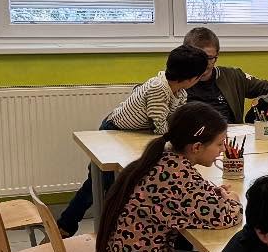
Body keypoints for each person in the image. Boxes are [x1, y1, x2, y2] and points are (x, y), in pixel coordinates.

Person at [96, 102, 243, 252]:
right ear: (196, 147)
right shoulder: (177, 174)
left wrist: (215, 195)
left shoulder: (166, 159)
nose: (222, 150)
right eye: (219, 144)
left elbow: (194, 195)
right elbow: (225, 216)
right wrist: (233, 199)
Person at [58, 44, 210, 235]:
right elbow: (161, 127)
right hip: (113, 133)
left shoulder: (179, 92)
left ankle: (94, 229)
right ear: (191, 78)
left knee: (112, 187)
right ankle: (65, 226)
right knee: (98, 186)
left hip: (130, 134)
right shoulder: (159, 89)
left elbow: (174, 122)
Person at [182, 27, 268, 123]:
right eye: (197, 57)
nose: (203, 63)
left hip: (230, 131)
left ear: (216, 56)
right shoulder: (176, 83)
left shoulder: (233, 77)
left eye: (209, 58)